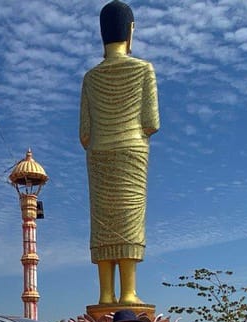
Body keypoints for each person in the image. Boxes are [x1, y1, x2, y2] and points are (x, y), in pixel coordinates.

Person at [80, 0, 159, 305]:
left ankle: (105, 293)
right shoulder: (144, 69)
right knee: (129, 216)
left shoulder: (90, 77)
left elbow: (84, 132)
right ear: (131, 31)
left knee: (103, 219)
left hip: (98, 151)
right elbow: (152, 122)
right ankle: (128, 291)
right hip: (131, 149)